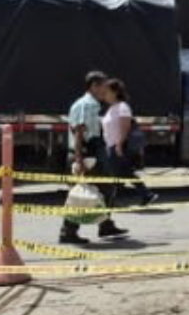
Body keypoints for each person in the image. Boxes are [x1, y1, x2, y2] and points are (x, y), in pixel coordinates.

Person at [60, 71, 127, 245]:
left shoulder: (91, 104)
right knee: (84, 193)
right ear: (94, 86)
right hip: (86, 155)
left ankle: (105, 225)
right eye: (104, 87)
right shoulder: (87, 105)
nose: (106, 91)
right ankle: (69, 231)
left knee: (101, 189)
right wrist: (79, 160)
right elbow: (79, 133)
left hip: (90, 154)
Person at [101, 78, 158, 207]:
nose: (104, 95)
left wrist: (119, 144)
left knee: (115, 174)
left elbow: (125, 126)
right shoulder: (112, 108)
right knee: (121, 173)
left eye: (107, 92)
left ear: (115, 92)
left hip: (117, 147)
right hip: (112, 146)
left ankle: (109, 202)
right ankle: (146, 194)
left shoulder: (122, 107)